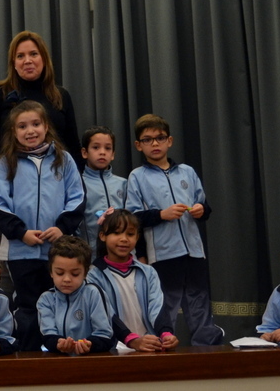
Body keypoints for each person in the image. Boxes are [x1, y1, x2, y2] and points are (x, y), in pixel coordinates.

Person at [0, 100, 83, 349]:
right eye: (22, 126)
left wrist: (62, 228)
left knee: (58, 302)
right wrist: (21, 233)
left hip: (58, 250)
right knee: (28, 305)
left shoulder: (63, 159)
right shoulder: (6, 162)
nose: (30, 131)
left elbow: (77, 197)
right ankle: (30, 355)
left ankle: (59, 350)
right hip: (22, 251)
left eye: (35, 124)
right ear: (14, 131)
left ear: (46, 126)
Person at [126, 113, 222, 346]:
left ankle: (206, 347)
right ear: (139, 145)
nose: (155, 144)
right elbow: (133, 217)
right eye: (147, 139)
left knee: (199, 301)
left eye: (160, 138)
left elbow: (205, 207)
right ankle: (162, 346)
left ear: (169, 141)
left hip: (194, 252)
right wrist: (162, 214)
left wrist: (201, 210)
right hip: (163, 254)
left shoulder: (187, 172)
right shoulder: (137, 177)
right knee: (165, 304)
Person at [0, 31, 81, 189]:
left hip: (55, 184)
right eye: (20, 56)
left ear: (44, 58)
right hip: (8, 185)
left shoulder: (61, 96)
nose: (27, 61)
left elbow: (73, 146)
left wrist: (79, 187)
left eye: (33, 54)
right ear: (13, 63)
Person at [86, 210, 177, 352]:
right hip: (113, 348)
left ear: (137, 237)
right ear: (103, 236)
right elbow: (104, 314)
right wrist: (131, 340)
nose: (124, 239)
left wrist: (166, 333)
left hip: (149, 344)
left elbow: (157, 307)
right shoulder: (93, 276)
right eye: (116, 233)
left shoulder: (148, 272)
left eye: (130, 234)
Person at [37, 236, 114, 354]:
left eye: (75, 274)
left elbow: (104, 335)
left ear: (85, 273)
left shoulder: (93, 294)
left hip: (91, 360)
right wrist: (59, 344)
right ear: (51, 272)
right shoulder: (45, 300)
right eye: (60, 273)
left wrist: (90, 344)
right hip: (58, 361)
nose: (67, 279)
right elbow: (48, 336)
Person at [77, 126, 127, 257]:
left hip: (123, 256)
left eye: (108, 148)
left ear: (113, 154)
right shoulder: (77, 185)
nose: (102, 152)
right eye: (96, 147)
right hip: (90, 257)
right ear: (84, 152)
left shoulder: (124, 184)